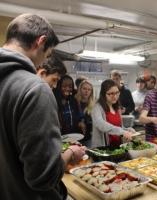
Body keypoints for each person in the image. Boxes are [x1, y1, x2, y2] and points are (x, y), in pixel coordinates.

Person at [0, 13, 85, 200]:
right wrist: (70, 153)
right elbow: (42, 176)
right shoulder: (35, 89)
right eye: (46, 55)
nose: (40, 63)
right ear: (40, 41)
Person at [91, 79, 133, 148]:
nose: (115, 96)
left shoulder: (117, 108)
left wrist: (127, 130)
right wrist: (122, 132)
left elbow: (119, 127)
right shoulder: (97, 107)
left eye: (117, 93)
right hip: (103, 149)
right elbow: (101, 124)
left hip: (118, 146)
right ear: (103, 94)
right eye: (111, 94)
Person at [75, 80, 94, 147]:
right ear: (80, 89)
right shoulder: (74, 102)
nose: (87, 91)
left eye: (89, 89)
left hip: (88, 137)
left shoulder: (93, 105)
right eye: (84, 89)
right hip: (75, 137)